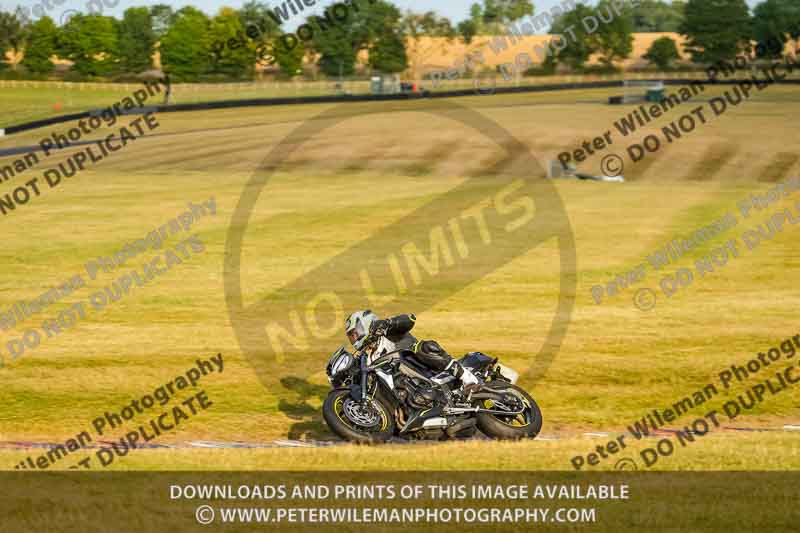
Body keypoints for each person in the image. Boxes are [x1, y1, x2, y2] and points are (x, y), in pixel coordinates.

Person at [344, 310, 479, 388]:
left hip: (429, 371)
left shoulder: (387, 332)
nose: (354, 339)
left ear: (365, 325)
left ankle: (467, 377)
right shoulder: (368, 358)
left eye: (355, 333)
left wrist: (387, 323)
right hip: (411, 389)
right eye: (351, 336)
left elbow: (410, 319)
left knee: (422, 347)